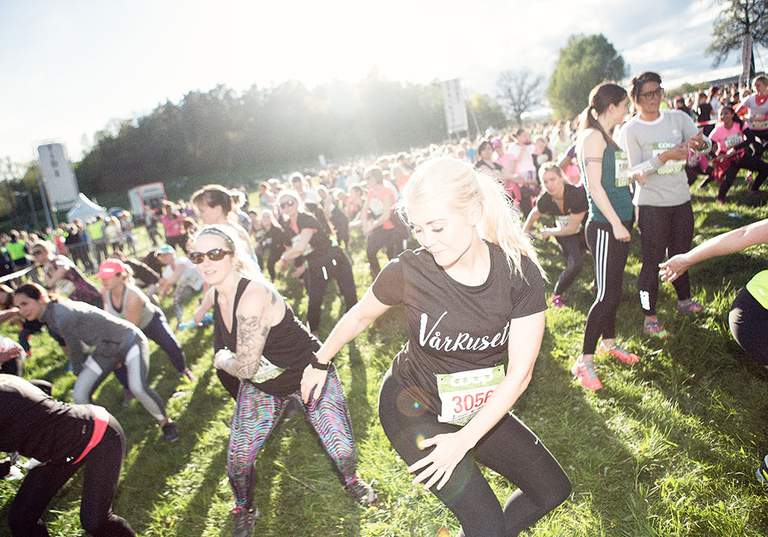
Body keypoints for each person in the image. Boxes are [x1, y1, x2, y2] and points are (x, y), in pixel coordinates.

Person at [302, 157, 570, 537]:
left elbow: (520, 375)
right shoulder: (410, 271)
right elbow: (361, 315)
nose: (427, 240)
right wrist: (319, 361)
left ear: (473, 212)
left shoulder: (518, 274)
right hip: (414, 407)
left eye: (438, 227)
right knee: (486, 525)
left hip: (477, 408)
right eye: (419, 228)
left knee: (552, 490)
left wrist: (464, 438)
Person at [190, 225, 375, 537]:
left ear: (233, 257)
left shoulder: (253, 296)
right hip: (265, 387)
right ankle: (244, 507)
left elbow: (246, 368)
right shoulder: (216, 291)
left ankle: (352, 481)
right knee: (238, 459)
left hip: (308, 374)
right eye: (197, 256)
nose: (205, 262)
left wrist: (221, 359)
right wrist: (198, 315)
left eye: (214, 254)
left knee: (341, 448)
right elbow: (211, 305)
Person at [12, 283, 178, 441]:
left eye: (25, 303)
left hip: (129, 340)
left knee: (137, 387)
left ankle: (166, 423)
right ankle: (105, 434)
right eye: (18, 306)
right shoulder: (51, 315)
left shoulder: (62, 314)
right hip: (106, 350)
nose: (22, 310)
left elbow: (76, 352)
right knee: (80, 393)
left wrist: (79, 372)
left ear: (41, 298)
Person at [619, 71, 704, 339]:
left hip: (681, 200)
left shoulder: (678, 118)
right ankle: (649, 314)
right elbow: (631, 172)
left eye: (658, 92)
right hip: (651, 205)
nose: (654, 98)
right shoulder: (630, 130)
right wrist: (663, 157)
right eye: (647, 94)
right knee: (652, 260)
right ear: (636, 98)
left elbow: (704, 144)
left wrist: (703, 144)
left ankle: (684, 300)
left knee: (681, 253)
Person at [0, 374, 136, 537]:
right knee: (21, 520)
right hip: (58, 455)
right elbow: (42, 386)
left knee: (96, 522)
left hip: (99, 435)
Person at [572, 82, 641, 391]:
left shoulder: (608, 137)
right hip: (603, 227)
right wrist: (615, 223)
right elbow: (595, 188)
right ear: (611, 107)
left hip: (620, 223)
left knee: (613, 291)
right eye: (624, 105)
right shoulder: (591, 137)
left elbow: (617, 181)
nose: (627, 110)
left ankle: (608, 343)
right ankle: (584, 362)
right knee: (605, 295)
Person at [96, 259, 194, 381]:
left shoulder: (133, 296)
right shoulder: (105, 291)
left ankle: (183, 370)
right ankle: (129, 389)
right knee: (115, 358)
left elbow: (131, 329)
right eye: (102, 277)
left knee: (170, 344)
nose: (103, 280)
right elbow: (107, 315)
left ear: (121, 276)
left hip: (150, 322)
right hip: (126, 327)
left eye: (107, 277)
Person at [277, 190, 358, 335]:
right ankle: (313, 336)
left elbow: (300, 248)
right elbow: (293, 250)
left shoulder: (306, 219)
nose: (287, 207)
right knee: (314, 299)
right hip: (314, 263)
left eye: (290, 202)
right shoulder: (286, 227)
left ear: (297, 203)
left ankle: (356, 324)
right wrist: (297, 265)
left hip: (333, 257)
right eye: (283, 205)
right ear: (280, 209)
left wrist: (284, 258)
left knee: (348, 292)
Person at [522, 163, 588, 307]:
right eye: (545, 182)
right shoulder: (545, 199)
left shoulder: (576, 194)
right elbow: (534, 213)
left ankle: (600, 285)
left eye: (553, 179)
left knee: (593, 255)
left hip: (584, 230)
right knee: (575, 263)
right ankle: (557, 294)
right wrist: (524, 231)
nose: (549, 185)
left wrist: (549, 232)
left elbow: (572, 227)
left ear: (561, 178)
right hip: (564, 233)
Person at [709, 105, 768, 202]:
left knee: (765, 168)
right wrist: (716, 156)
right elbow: (708, 145)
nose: (723, 116)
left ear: (732, 114)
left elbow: (751, 138)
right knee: (728, 181)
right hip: (728, 160)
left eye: (726, 113)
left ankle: (754, 190)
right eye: (721, 114)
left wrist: (736, 148)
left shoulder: (740, 124)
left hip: (742, 156)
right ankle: (720, 199)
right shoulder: (717, 130)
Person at [30, 240, 103, 308]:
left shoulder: (59, 259)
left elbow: (63, 270)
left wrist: (50, 281)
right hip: (76, 301)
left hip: (88, 294)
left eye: (38, 252)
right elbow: (50, 287)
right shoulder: (46, 270)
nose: (36, 256)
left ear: (46, 250)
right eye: (33, 254)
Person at [361, 166, 400, 278]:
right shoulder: (370, 192)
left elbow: (386, 215)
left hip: (392, 228)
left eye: (368, 178)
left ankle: (396, 278)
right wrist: (364, 225)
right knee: (370, 252)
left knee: (392, 257)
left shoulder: (386, 192)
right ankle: (377, 276)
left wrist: (371, 227)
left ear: (375, 178)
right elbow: (364, 210)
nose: (366, 181)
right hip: (379, 227)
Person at [156, 244, 205, 325]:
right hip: (189, 286)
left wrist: (165, 287)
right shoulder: (167, 270)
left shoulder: (181, 260)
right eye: (161, 256)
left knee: (180, 291)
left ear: (172, 254)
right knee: (180, 294)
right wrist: (162, 291)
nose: (163, 258)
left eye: (165, 255)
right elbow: (162, 284)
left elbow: (173, 279)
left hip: (200, 281)